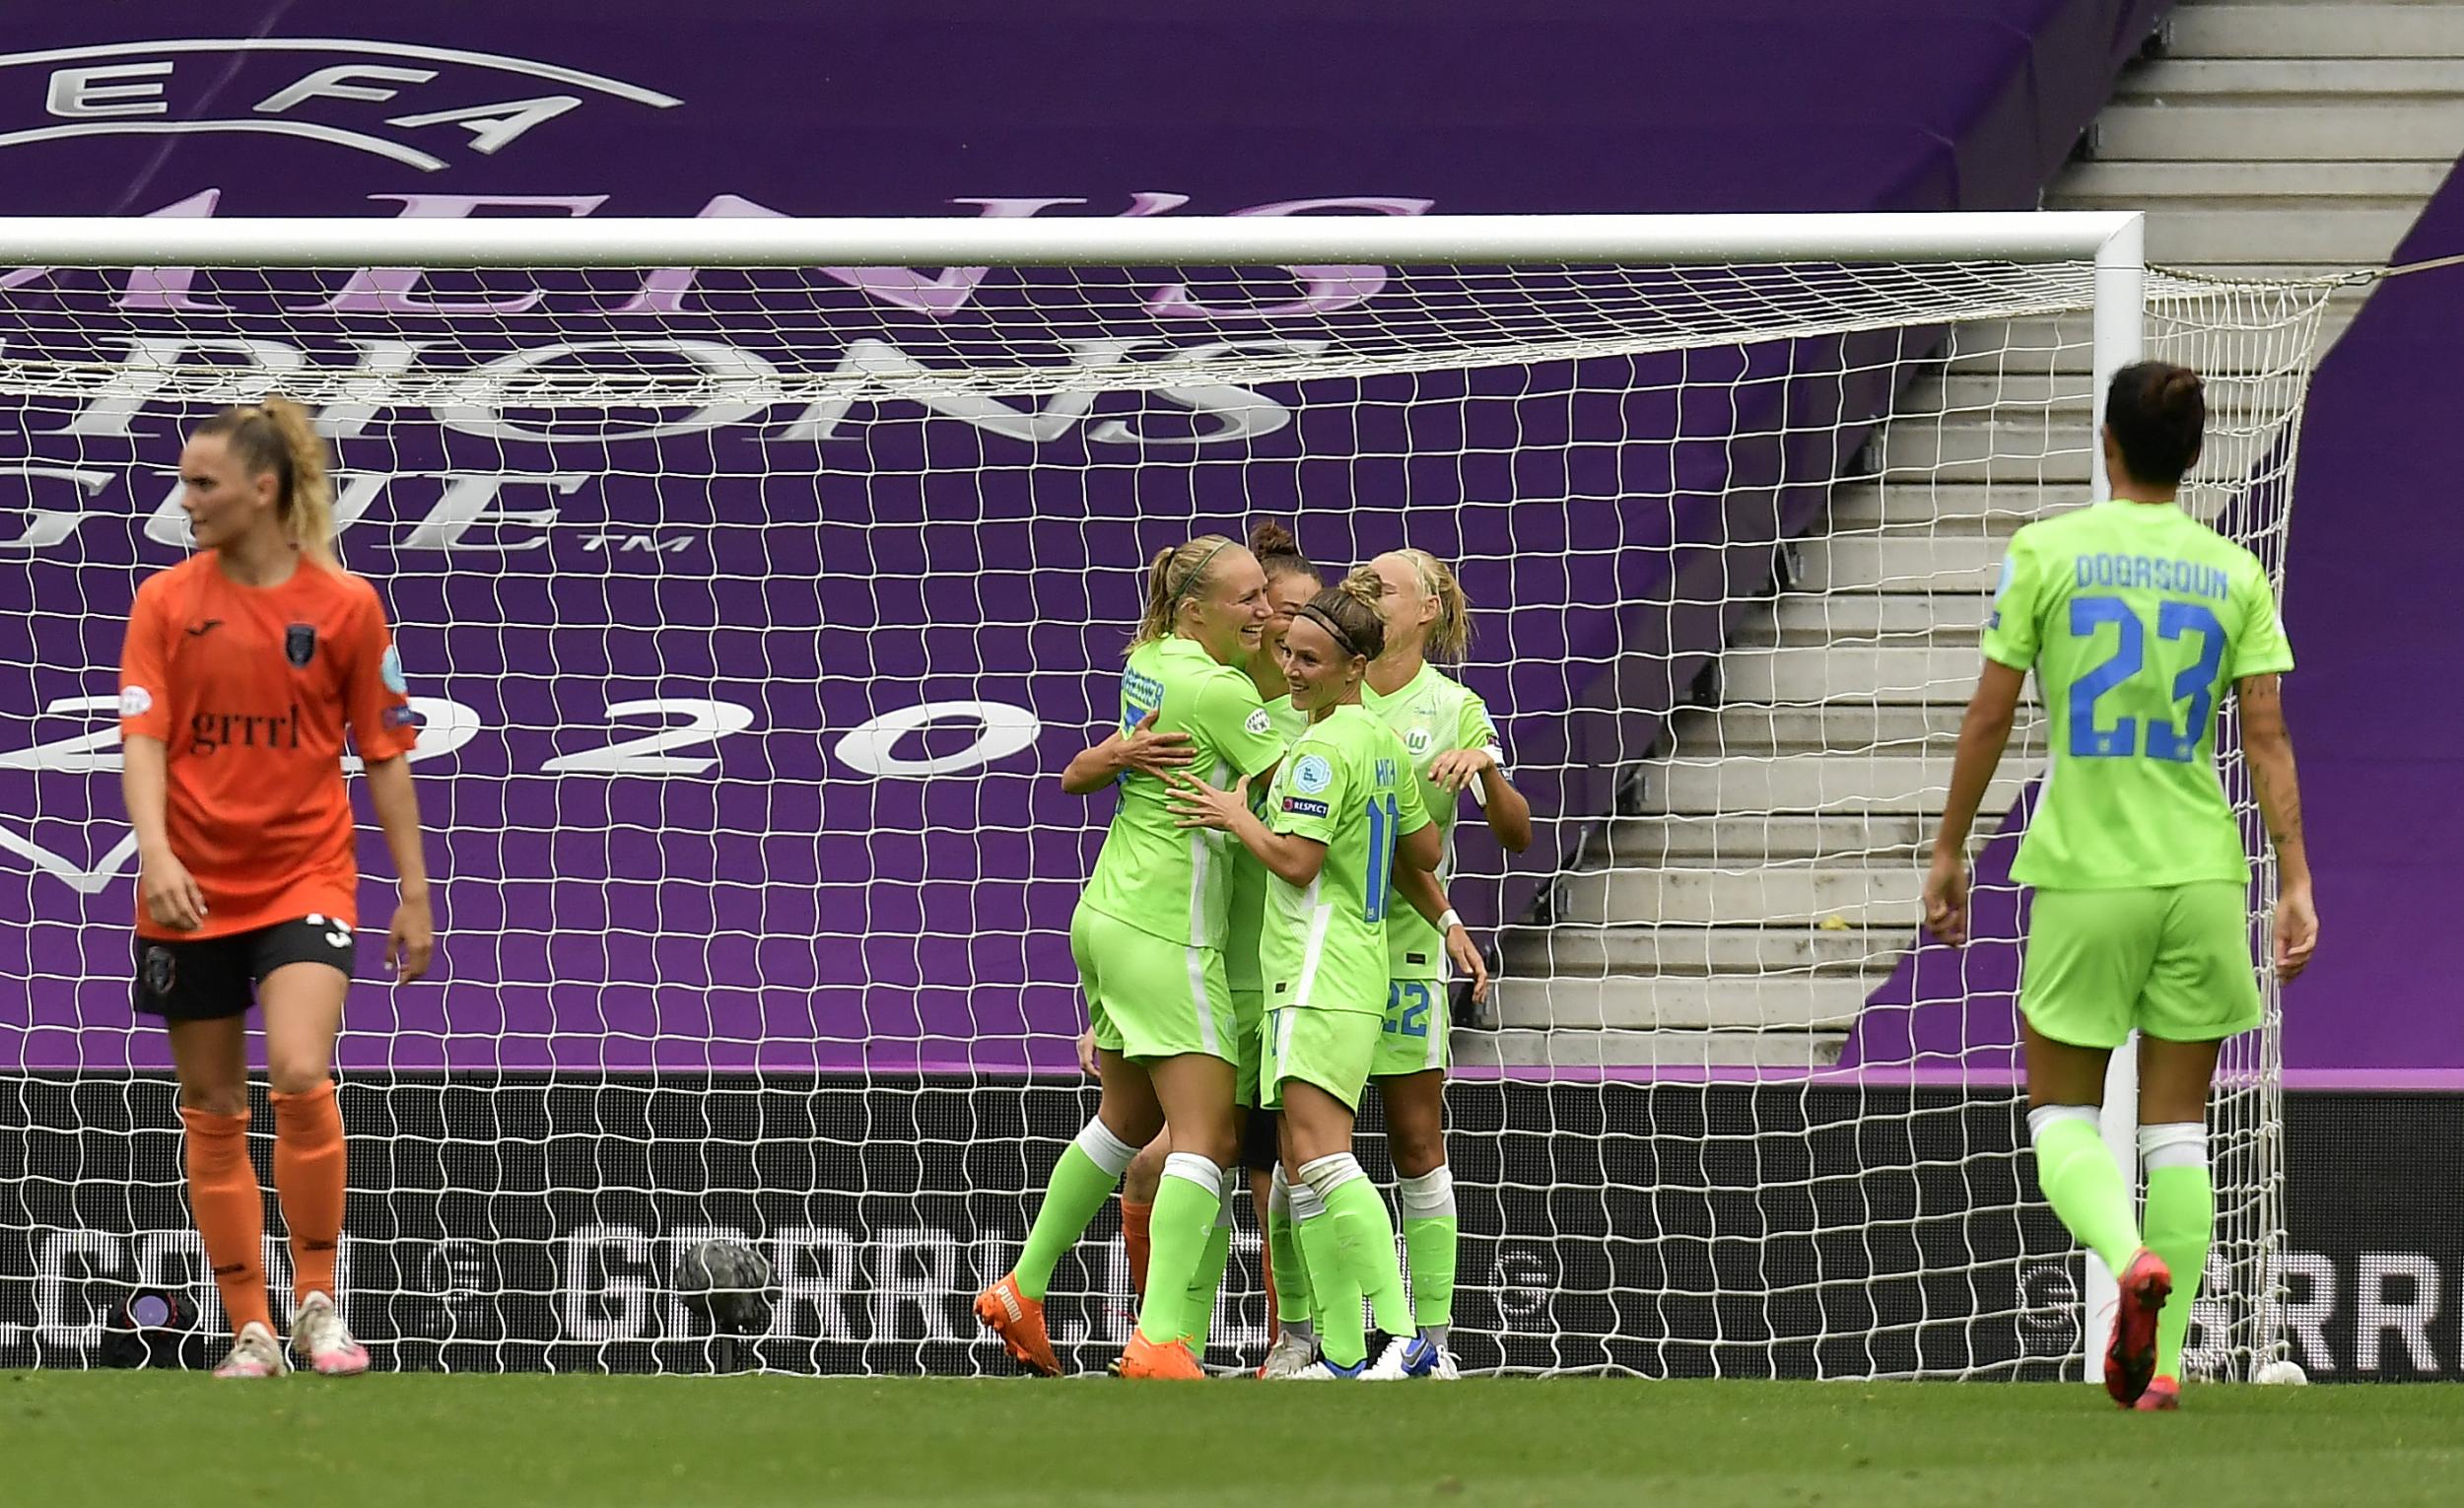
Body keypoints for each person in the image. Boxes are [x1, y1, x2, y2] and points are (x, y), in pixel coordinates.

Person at [1922, 361, 2315, 1411]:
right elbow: (2265, 740)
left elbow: (1991, 716)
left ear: (2107, 445)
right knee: (2177, 1128)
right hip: (2197, 873)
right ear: (2194, 455)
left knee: (2060, 1117)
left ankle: (2124, 1256)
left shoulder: (2046, 552)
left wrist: (1950, 849)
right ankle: (2166, 1360)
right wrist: (2295, 882)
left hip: (2088, 874)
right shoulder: (2233, 572)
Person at [118, 397, 434, 1379]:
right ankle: (251, 1327)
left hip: (306, 875)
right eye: (185, 482)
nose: (187, 499)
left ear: (263, 489)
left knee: (299, 1070)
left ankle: (317, 1306)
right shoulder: (166, 600)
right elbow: (144, 738)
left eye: (203, 483)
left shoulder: (345, 606)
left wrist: (414, 891)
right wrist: (158, 856)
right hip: (190, 890)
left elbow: (384, 753)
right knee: (212, 1108)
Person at [976, 535, 1284, 1379]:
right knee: (1207, 1131)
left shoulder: (1151, 659)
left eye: (1267, 595)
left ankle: (1023, 1286)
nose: (1264, 612)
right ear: (1195, 609)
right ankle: (1157, 1340)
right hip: (1165, 927)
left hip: (1106, 912)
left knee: (1128, 1121)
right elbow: (1308, 766)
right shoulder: (1218, 689)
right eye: (1248, 599)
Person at [1170, 572, 1488, 1379]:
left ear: (1353, 667)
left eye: (1310, 658)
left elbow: (1298, 864)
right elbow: (1424, 852)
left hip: (1314, 971)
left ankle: (1405, 1334)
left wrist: (1240, 815)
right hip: (1359, 965)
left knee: (1317, 1159)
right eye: (1289, 654)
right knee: (1308, 1166)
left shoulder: (1315, 752)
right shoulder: (1377, 740)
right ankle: (1342, 1356)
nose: (1295, 670)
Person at [1071, 522, 1322, 1371]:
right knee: (1172, 1157)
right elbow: (1088, 778)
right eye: (1268, 606)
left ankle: (1286, 1347)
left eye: (1294, 613)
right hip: (1192, 953)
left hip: (1274, 969)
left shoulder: (1302, 714)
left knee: (1270, 1172)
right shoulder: (1214, 690)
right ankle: (1158, 1338)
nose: (1282, 625)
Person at [1350, 548, 1531, 1379]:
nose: (1364, 592)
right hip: (1313, 942)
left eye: (1381, 586)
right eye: (1359, 582)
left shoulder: (1455, 707)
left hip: (1407, 947)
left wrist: (1488, 773)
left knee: (1417, 1139)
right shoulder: (1326, 686)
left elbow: (1517, 833)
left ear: (1427, 610)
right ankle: (1324, 1341)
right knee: (1303, 1143)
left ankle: (1432, 1339)